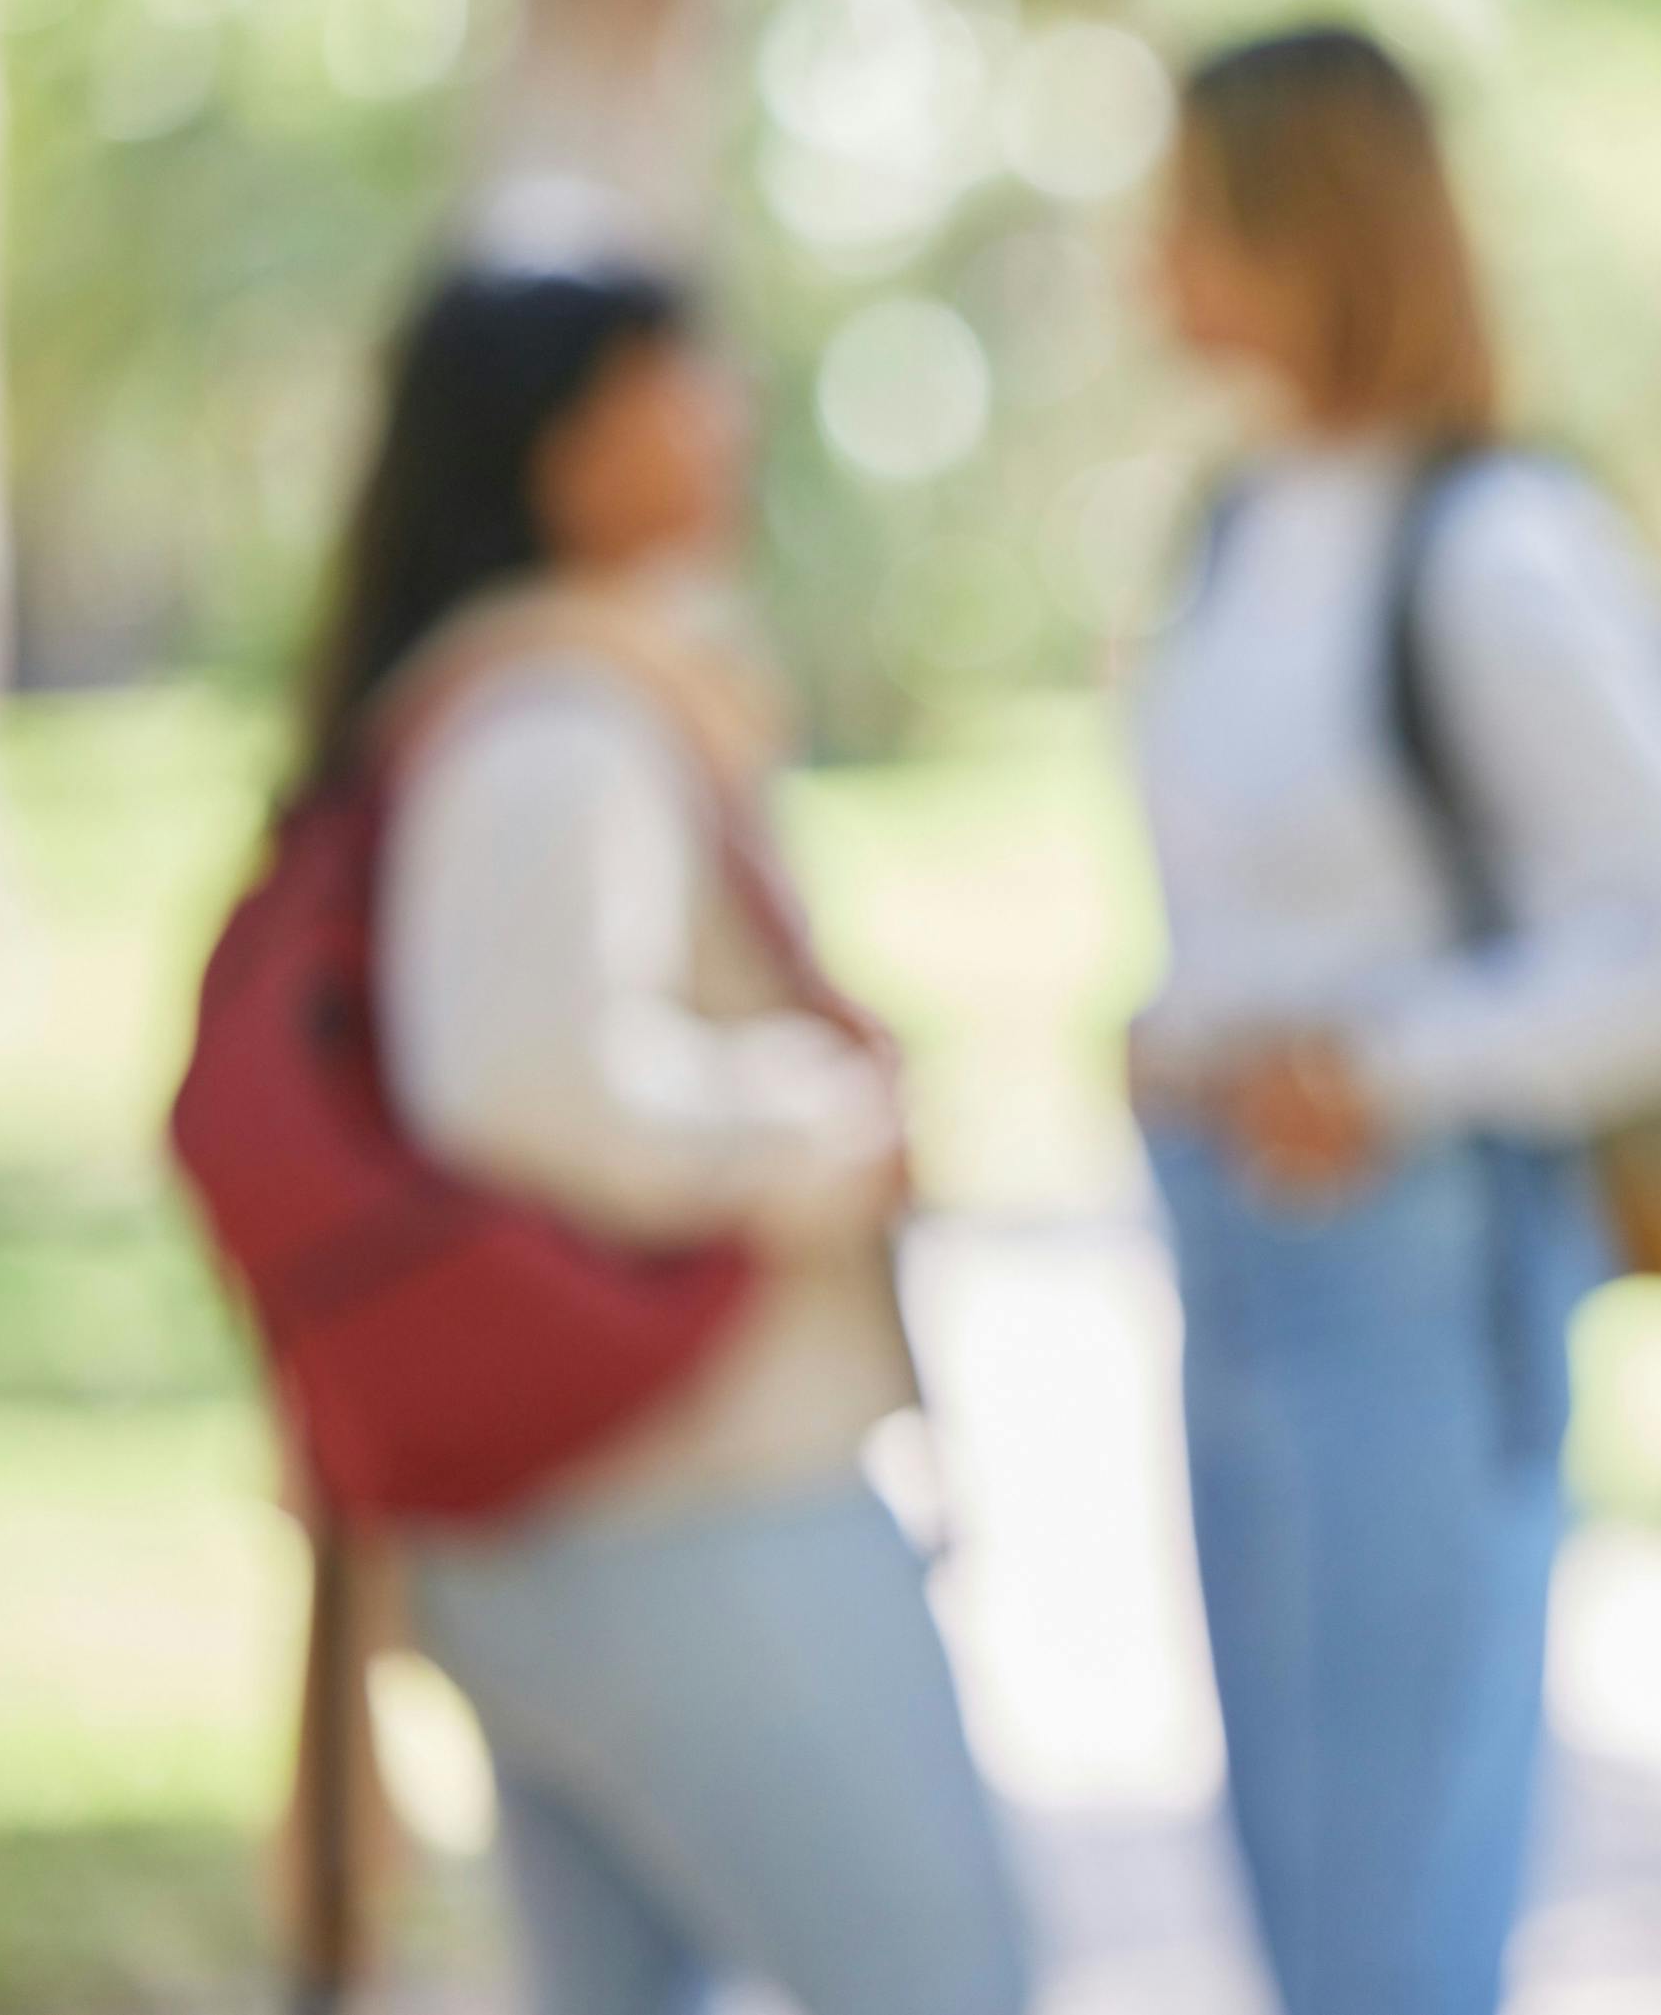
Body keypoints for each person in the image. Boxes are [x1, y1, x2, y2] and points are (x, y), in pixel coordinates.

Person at [1124, 27, 1661, 2015]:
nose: (1140, 257)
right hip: (1227, 1240)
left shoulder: (1496, 540)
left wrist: (1386, 1064)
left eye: (1182, 204)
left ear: (1304, 224)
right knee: (1295, 1900)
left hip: (1405, 1257)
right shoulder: (1238, 527)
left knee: (1388, 1915)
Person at [296, 258, 1032, 2015]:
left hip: (575, 1515)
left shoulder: (521, 700)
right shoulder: (561, 727)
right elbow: (532, 1086)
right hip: (689, 1501)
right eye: (671, 386)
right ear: (561, 448)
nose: (726, 416)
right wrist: (835, 1129)